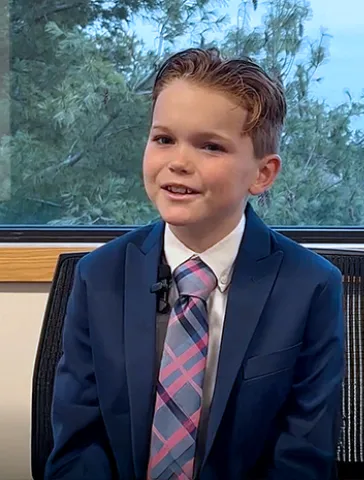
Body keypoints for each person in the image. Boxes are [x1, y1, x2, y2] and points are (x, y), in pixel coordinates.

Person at [45, 48, 344, 480]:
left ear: (262, 174)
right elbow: (79, 443)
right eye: (163, 139)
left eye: (210, 146)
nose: (178, 162)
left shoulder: (310, 287)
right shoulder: (100, 276)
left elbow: (302, 458)